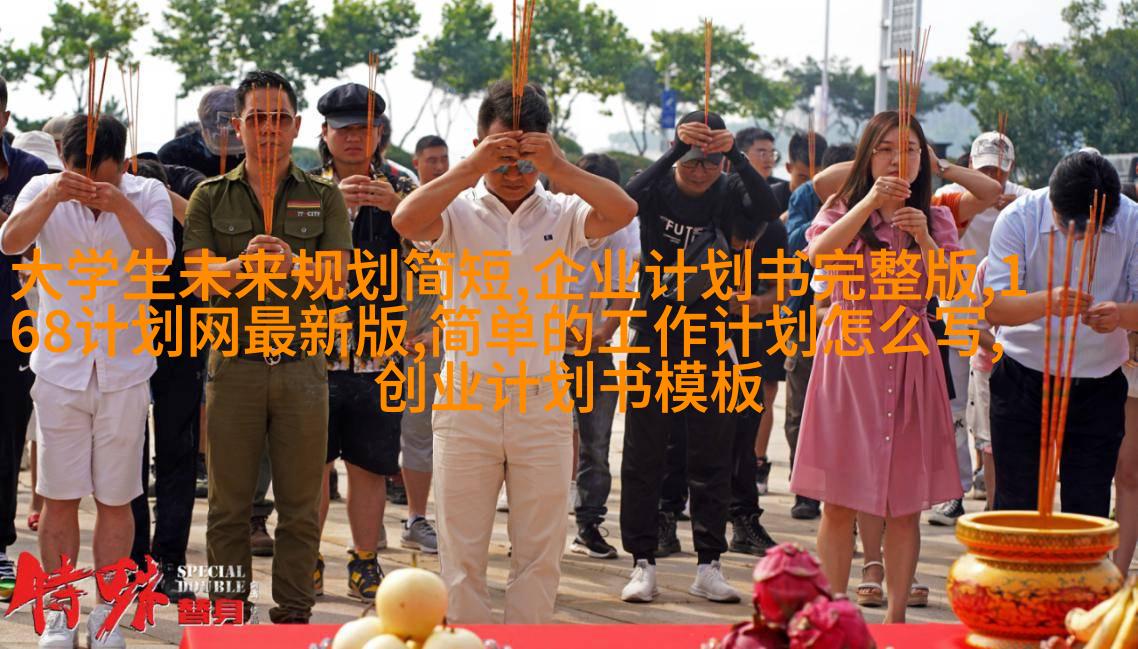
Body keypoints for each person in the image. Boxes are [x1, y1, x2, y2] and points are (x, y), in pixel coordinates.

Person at [392, 80, 636, 623]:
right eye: (501, 155)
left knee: (540, 558)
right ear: (479, 144)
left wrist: (559, 165)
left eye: (526, 158)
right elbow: (405, 220)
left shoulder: (564, 212)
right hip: (467, 400)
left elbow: (623, 210)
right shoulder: (455, 210)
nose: (513, 169)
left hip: (542, 403)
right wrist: (470, 167)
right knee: (460, 559)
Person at [182, 70, 353, 624]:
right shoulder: (210, 196)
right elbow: (197, 279)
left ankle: (295, 614)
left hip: (302, 369)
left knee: (300, 508)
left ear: (297, 125)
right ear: (238, 127)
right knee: (228, 508)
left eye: (280, 118)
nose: (269, 129)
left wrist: (292, 263)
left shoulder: (323, 196)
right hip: (234, 368)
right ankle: (228, 614)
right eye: (257, 118)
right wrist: (242, 265)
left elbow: (338, 280)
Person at [1, 113, 174, 647]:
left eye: (105, 176)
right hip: (60, 370)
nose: (92, 186)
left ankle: (108, 614)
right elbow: (10, 242)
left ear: (124, 164)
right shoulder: (42, 188)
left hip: (125, 371)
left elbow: (159, 259)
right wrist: (55, 195)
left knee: (117, 500)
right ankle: (59, 611)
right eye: (81, 173)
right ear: (64, 159)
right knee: (57, 498)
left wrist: (119, 205)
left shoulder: (146, 194)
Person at [792, 111, 962, 624]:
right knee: (838, 501)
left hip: (910, 355)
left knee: (904, 504)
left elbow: (952, 290)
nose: (896, 159)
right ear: (867, 157)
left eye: (908, 149)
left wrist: (925, 240)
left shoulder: (937, 218)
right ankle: (833, 615)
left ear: (923, 159)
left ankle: (896, 620)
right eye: (885, 149)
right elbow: (818, 256)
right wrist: (868, 202)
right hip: (849, 356)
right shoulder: (842, 208)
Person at [619, 109, 778, 604]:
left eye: (711, 161)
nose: (701, 169)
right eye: (691, 159)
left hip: (710, 338)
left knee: (712, 454)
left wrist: (735, 155)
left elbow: (769, 208)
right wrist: (673, 149)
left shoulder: (728, 190)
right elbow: (625, 200)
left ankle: (709, 564)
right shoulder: (657, 189)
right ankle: (642, 561)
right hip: (654, 334)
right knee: (644, 454)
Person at [986, 151, 1137, 518]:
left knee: (1087, 510)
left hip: (1098, 384)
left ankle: (1080, 561)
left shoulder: (1132, 221)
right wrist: (1046, 302)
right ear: (1052, 200)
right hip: (1022, 378)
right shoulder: (1018, 219)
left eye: (1091, 229)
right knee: (1016, 507)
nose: (1079, 237)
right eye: (1069, 225)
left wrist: (1121, 315)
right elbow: (995, 307)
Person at [311, 82, 417, 601]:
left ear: (380, 134)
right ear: (325, 133)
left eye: (366, 128)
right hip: (313, 350)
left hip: (382, 350)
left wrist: (399, 209)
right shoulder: (303, 187)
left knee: (371, 463)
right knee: (311, 465)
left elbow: (432, 251)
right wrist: (330, 207)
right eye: (344, 129)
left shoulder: (403, 184)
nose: (355, 137)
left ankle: (365, 559)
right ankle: (306, 556)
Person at [928, 132, 1030, 526]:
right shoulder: (951, 197)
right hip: (956, 312)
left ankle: (996, 496)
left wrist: (1014, 207)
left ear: (1010, 168)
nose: (992, 176)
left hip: (1004, 318)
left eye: (999, 169)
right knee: (953, 408)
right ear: (971, 165)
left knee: (995, 411)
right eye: (985, 168)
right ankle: (953, 492)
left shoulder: (1025, 200)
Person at [127, 156, 206, 602]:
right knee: (129, 449)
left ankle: (170, 561)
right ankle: (134, 559)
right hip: (127, 327)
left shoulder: (185, 180)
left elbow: (205, 218)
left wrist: (156, 195)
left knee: (178, 449)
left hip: (183, 327)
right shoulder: (113, 182)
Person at [553, 153, 639, 561]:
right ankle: (533, 529)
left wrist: (604, 332)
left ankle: (588, 525)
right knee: (537, 443)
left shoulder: (621, 226)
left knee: (596, 445)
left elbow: (623, 286)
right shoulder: (553, 216)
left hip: (593, 350)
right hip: (541, 351)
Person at [781, 143, 856, 522]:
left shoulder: (876, 201)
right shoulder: (807, 197)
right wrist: (826, 218)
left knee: (849, 412)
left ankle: (848, 491)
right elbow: (796, 243)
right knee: (802, 408)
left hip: (858, 325)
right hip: (805, 319)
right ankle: (807, 491)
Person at [752, 130, 828, 496]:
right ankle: (762, 465)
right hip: (786, 311)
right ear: (790, 169)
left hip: (817, 312)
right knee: (778, 397)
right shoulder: (783, 199)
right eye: (803, 175)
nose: (814, 183)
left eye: (820, 175)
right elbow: (795, 244)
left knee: (778, 391)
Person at [0, 74, 50, 604]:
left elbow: (43, 244)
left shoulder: (31, 172)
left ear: (5, 118)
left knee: (8, 435)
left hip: (12, 321)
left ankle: (0, 544)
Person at [399, 136, 449, 556]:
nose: (439, 166)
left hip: (430, 343)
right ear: (416, 163)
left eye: (444, 159)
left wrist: (441, 330)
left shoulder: (455, 211)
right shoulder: (402, 208)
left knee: (423, 431)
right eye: (431, 160)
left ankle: (419, 517)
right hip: (380, 339)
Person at [158, 86, 245, 177]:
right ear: (203, 127)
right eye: (222, 120)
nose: (229, 128)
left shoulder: (253, 152)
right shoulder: (175, 153)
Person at [737, 127, 789, 213]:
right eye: (762, 153)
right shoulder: (731, 188)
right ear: (742, 155)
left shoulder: (783, 190)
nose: (769, 160)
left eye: (772, 153)